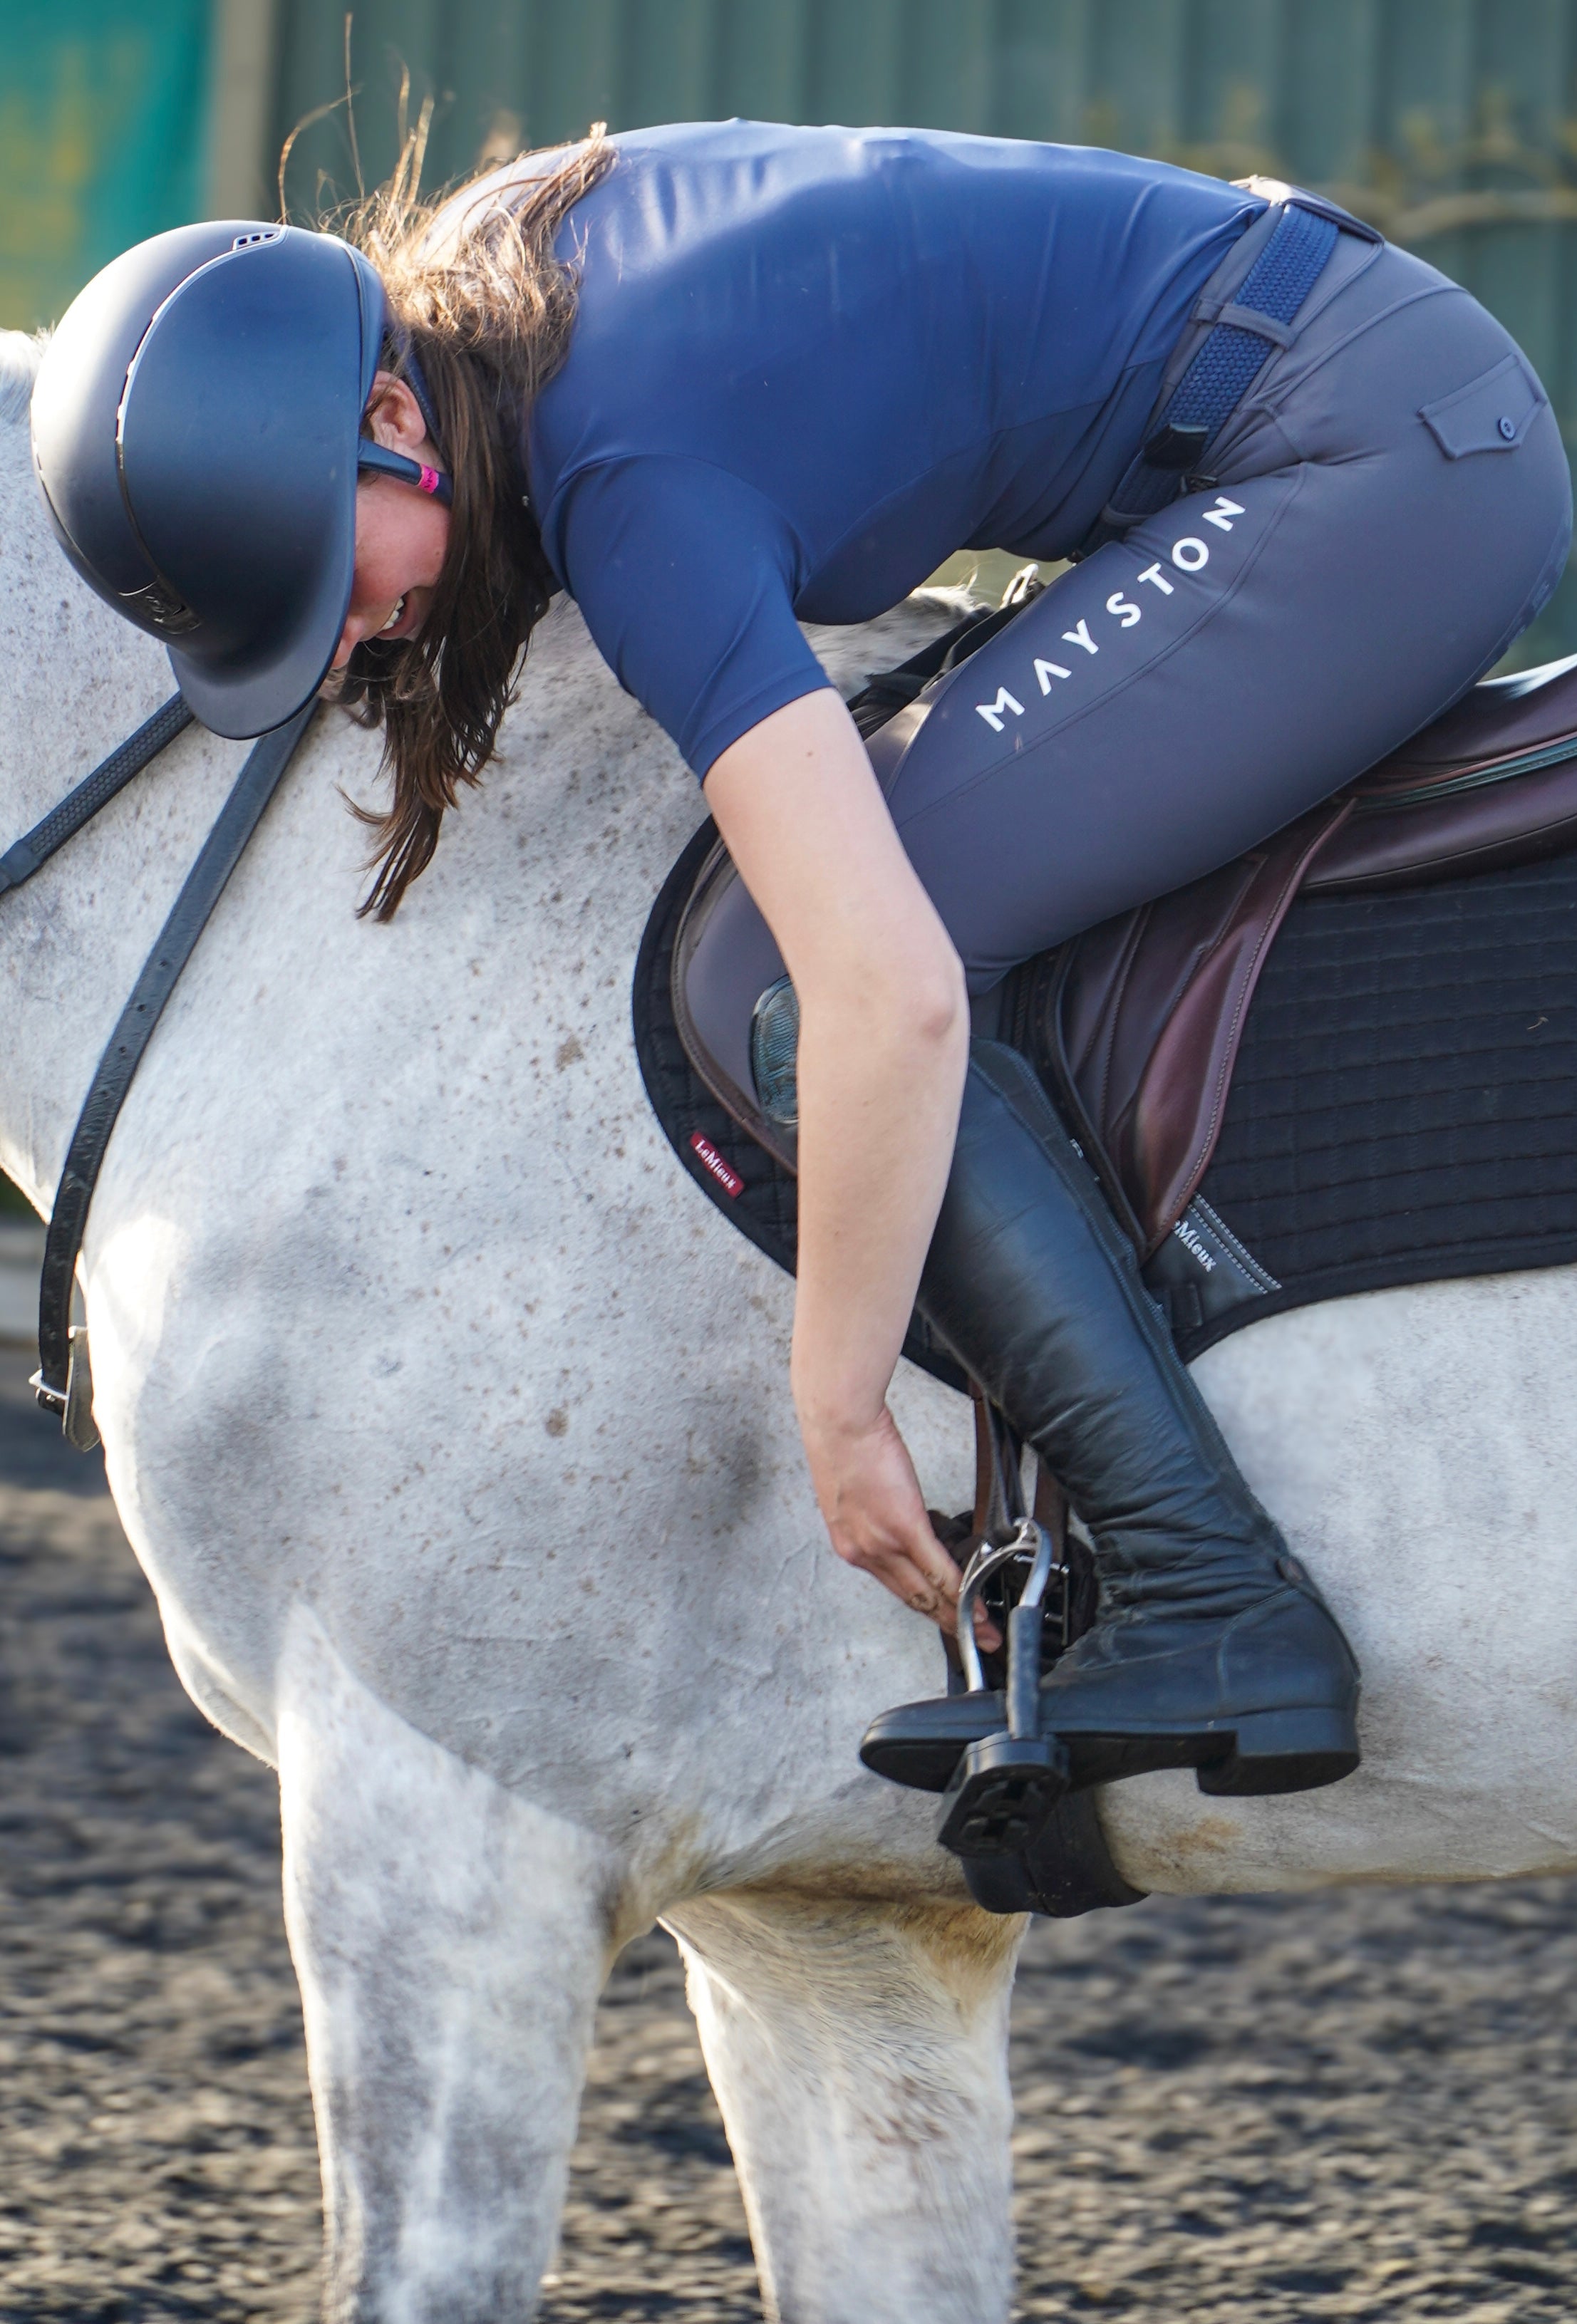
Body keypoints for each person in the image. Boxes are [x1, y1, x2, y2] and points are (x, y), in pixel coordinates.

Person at [30, 121, 1573, 1820]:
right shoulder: (482, 291)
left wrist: (838, 1404)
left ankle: (1211, 1588)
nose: (339, 650)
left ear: (396, 425)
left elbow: (887, 995)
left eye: (330, 584)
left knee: (788, 961)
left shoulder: (628, 486)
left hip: (1369, 470)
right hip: (1339, 388)